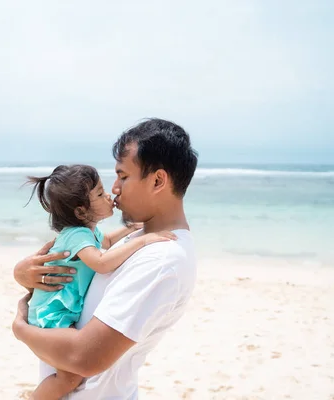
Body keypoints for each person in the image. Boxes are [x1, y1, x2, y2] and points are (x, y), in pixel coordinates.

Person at [12, 118, 199, 399]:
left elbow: (83, 358)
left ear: (158, 180)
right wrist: (23, 274)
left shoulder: (162, 260)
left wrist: (20, 329)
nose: (114, 189)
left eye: (123, 176)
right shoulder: (137, 238)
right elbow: (76, 276)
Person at [23, 164, 177, 399]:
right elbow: (101, 262)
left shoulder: (88, 232)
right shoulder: (76, 235)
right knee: (70, 377)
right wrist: (143, 241)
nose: (108, 196)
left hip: (60, 311)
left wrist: (133, 229)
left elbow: (106, 241)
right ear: (81, 212)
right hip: (52, 314)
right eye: (99, 193)